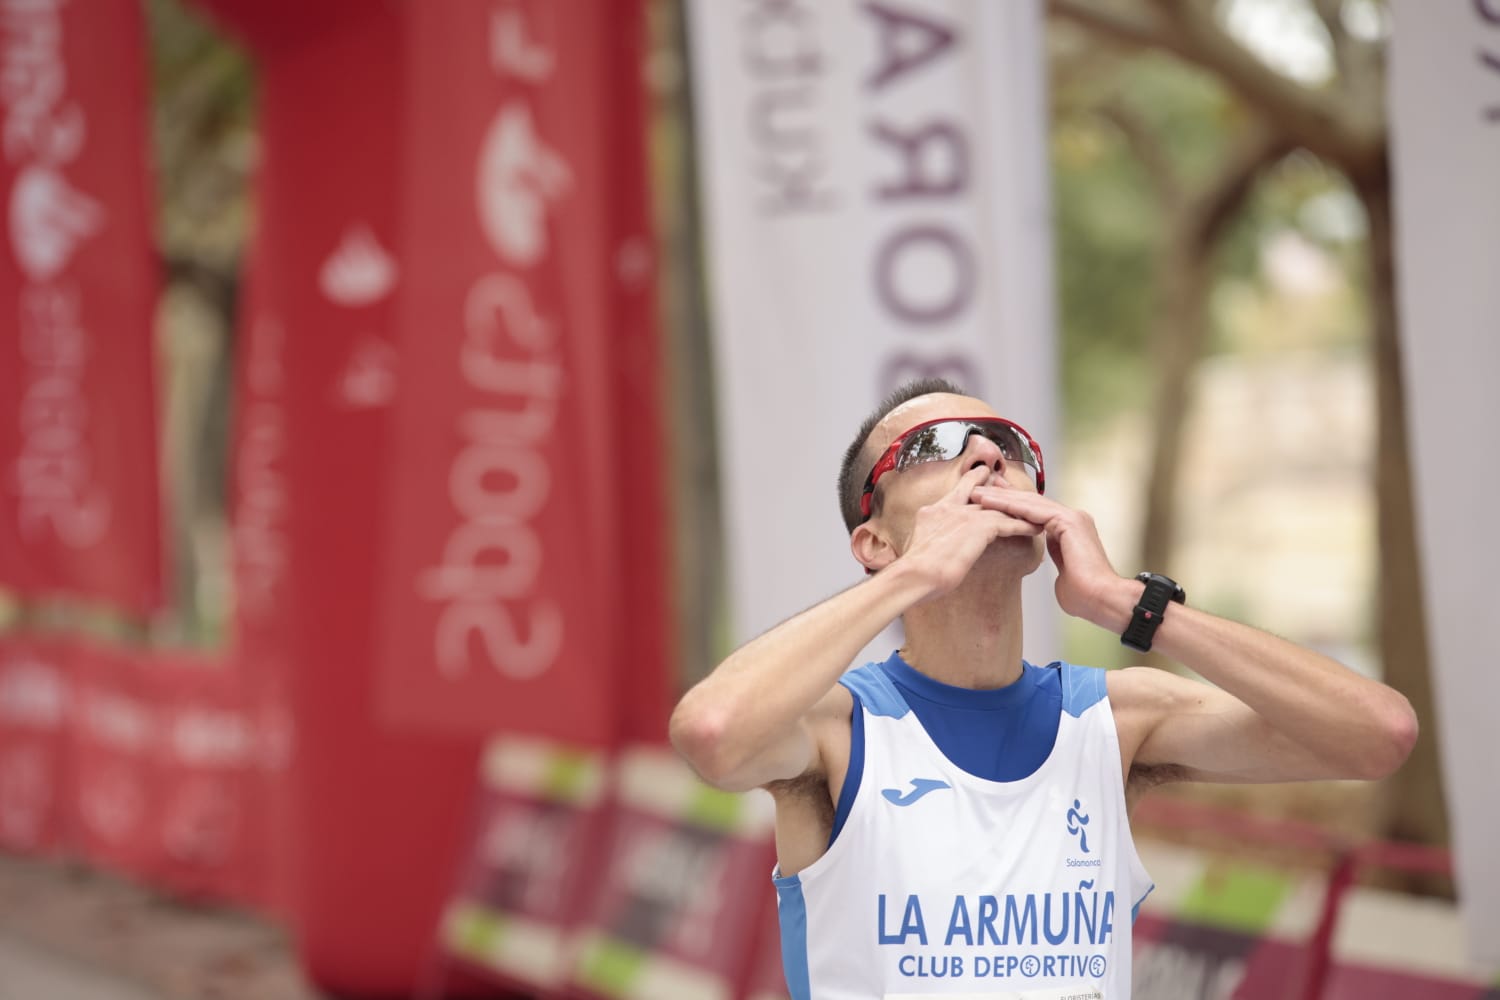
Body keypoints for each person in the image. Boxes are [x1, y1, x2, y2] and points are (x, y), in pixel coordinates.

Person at [669, 377, 1417, 1000]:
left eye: (1012, 445)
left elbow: (1378, 734)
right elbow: (712, 731)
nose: (990, 454)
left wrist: (1130, 605)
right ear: (875, 540)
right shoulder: (842, 727)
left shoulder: (1115, 718)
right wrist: (914, 577)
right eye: (933, 447)